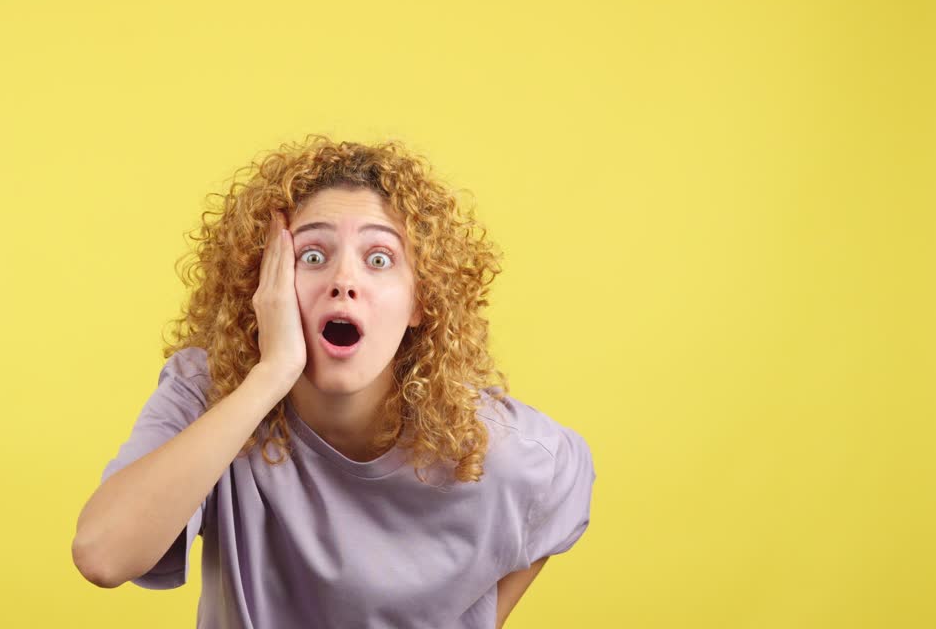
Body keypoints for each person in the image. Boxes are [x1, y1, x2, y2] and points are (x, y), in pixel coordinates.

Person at [71, 135, 596, 628]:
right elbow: (103, 554)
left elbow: (563, 490)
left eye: (380, 259)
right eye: (312, 257)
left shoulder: (499, 450)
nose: (344, 281)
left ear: (420, 302)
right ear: (264, 285)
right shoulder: (209, 393)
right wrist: (269, 376)